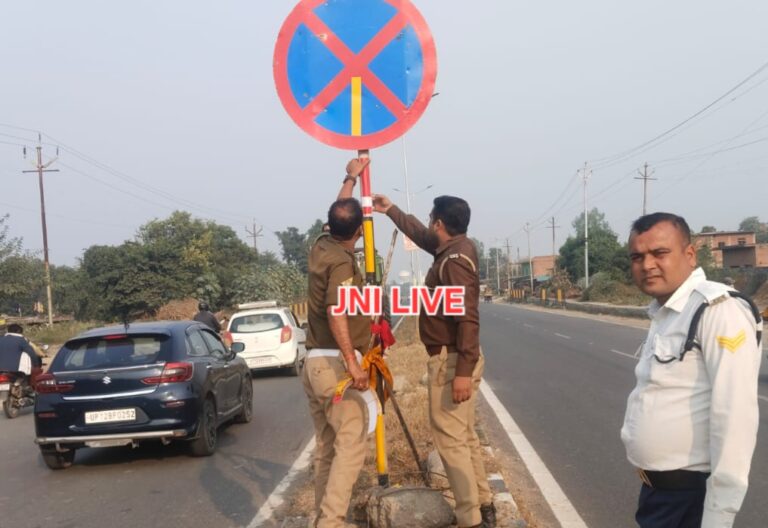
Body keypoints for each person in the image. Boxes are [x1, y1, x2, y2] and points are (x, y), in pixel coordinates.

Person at [621, 212, 762, 528]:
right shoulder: (668, 313)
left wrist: (718, 516)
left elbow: (734, 417)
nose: (647, 265)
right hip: (660, 496)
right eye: (637, 257)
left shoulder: (717, 310)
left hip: (691, 500)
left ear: (689, 254)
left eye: (659, 253)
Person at [373, 192, 495, 528]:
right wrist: (392, 211)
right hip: (457, 359)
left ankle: (470, 518)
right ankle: (484, 507)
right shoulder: (457, 248)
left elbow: (468, 319)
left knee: (451, 444)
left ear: (440, 222)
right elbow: (426, 238)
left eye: (430, 219)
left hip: (452, 361)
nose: (428, 225)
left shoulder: (453, 262)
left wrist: (462, 373)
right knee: (465, 437)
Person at [303, 158, 372, 528]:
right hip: (334, 366)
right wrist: (354, 363)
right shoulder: (343, 264)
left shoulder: (320, 246)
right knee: (350, 445)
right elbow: (336, 310)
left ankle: (320, 520)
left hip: (313, 362)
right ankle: (331, 522)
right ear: (359, 232)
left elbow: (340, 212)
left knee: (327, 449)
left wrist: (350, 178)